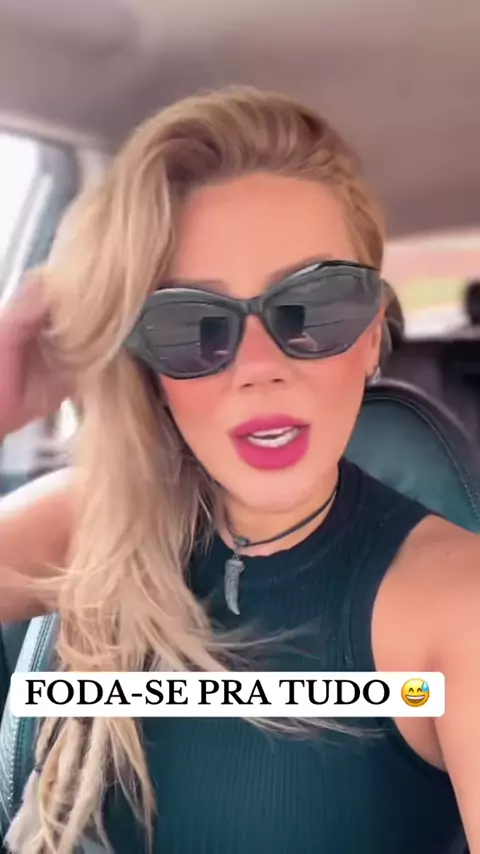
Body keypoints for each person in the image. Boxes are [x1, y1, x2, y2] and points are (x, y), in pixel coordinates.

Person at [0, 87, 479, 854]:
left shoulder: (457, 604)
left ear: (369, 335)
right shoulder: (92, 522)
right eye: (192, 324)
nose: (259, 366)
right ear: (148, 366)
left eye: (314, 307)